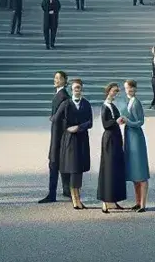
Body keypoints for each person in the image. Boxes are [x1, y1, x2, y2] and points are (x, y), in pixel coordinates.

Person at [55, 78, 94, 210]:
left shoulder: (86, 104)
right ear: (71, 89)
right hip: (70, 140)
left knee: (79, 169)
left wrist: (78, 127)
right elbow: (56, 118)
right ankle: (75, 199)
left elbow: (90, 122)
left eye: (79, 87)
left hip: (81, 138)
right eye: (75, 87)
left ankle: (78, 198)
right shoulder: (66, 104)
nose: (77, 90)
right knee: (73, 168)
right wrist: (66, 128)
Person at [39, 71, 71, 203]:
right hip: (59, 134)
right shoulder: (60, 94)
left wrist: (54, 118)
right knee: (61, 162)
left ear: (64, 80)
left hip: (59, 135)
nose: (56, 80)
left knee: (54, 163)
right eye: (55, 78)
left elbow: (64, 118)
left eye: (59, 78)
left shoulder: (63, 96)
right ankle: (66, 190)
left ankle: (52, 194)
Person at [98, 82, 128, 212]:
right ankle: (105, 201)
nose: (115, 93)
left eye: (117, 91)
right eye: (114, 91)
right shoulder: (105, 106)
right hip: (109, 139)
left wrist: (120, 120)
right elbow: (106, 124)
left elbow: (115, 120)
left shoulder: (112, 106)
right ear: (109, 91)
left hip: (115, 137)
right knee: (108, 168)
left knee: (115, 168)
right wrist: (116, 121)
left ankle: (113, 199)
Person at [122, 79, 150, 212]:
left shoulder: (136, 103)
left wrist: (128, 122)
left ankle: (143, 204)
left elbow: (140, 121)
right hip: (128, 136)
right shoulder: (126, 102)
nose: (130, 91)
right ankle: (137, 201)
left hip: (136, 137)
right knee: (134, 172)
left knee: (141, 171)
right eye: (128, 88)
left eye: (132, 89)